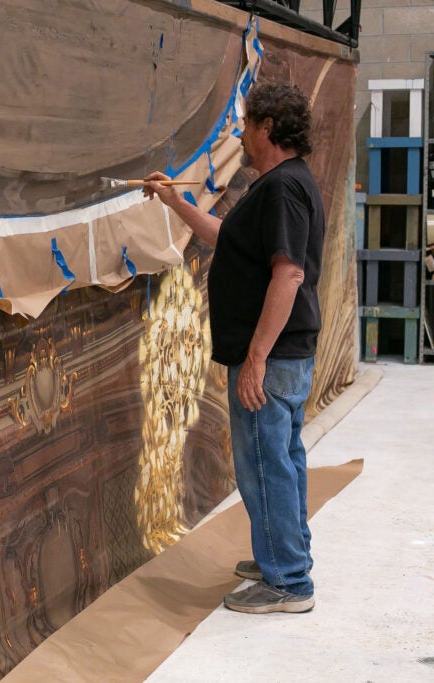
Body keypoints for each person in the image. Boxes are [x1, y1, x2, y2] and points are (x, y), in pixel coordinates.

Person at [142, 82, 325, 614]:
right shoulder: (280, 185)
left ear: (267, 128)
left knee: (265, 464)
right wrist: (176, 202)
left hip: (274, 355)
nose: (242, 135)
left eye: (247, 125)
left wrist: (257, 357)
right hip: (281, 353)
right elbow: (229, 238)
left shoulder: (284, 188)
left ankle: (288, 582)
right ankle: (284, 555)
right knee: (282, 458)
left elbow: (288, 274)